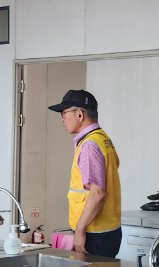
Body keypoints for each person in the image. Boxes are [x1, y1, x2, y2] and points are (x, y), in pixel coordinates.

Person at [48, 88, 122, 257]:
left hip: (94, 232)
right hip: (107, 229)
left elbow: (97, 193)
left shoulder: (89, 145)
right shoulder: (103, 138)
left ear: (79, 114)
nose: (62, 118)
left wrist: (80, 230)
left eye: (64, 113)